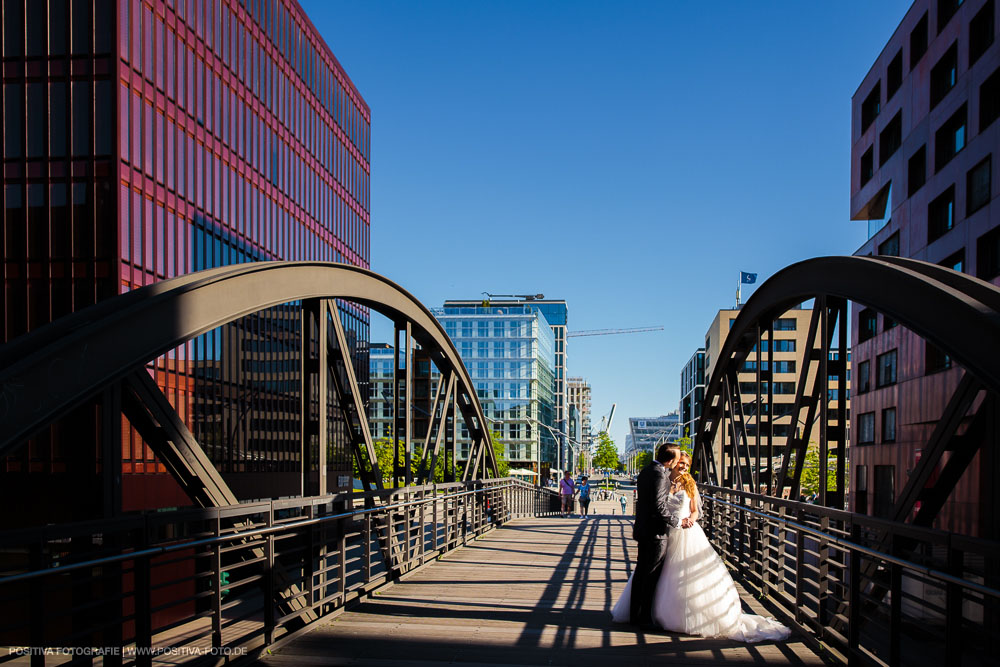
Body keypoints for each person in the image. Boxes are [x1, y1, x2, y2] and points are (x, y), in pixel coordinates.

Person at [612, 452, 792, 642]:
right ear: (673, 463)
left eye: (686, 465)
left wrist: (690, 519)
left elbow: (695, 511)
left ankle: (685, 617)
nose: (683, 467)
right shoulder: (663, 479)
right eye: (681, 463)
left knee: (685, 574)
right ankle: (649, 612)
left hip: (686, 533)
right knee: (657, 572)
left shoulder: (689, 484)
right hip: (666, 532)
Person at [623, 444, 680, 628]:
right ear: (670, 460)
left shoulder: (646, 471)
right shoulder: (659, 475)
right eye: (677, 459)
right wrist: (675, 521)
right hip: (655, 532)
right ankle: (645, 618)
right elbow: (658, 506)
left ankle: (635, 614)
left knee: (641, 573)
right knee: (650, 574)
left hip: (643, 529)